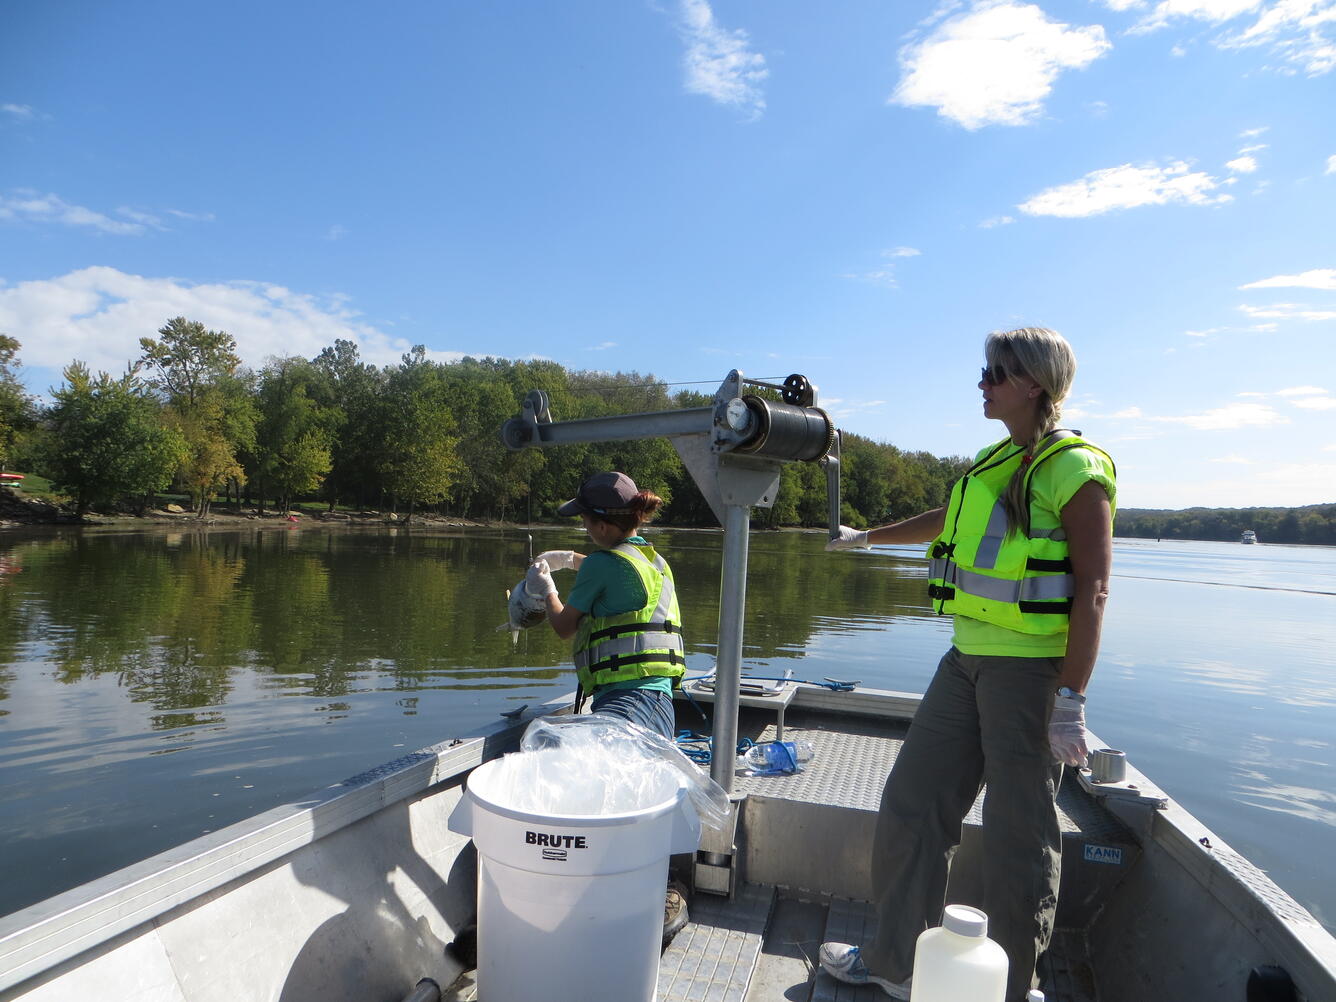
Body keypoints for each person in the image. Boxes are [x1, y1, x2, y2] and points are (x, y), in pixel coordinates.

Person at [818, 327, 1116, 1002]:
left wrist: (1071, 697)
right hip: (965, 661)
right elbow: (943, 518)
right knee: (911, 805)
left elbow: (1094, 588)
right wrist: (865, 537)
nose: (982, 382)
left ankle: (1009, 989)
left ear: (1032, 383)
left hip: (1031, 677)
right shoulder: (992, 460)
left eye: (995, 372)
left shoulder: (1075, 468)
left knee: (1020, 836)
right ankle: (898, 964)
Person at [523, 470, 690, 943]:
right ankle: (651, 891)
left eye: (584, 522)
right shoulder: (652, 560)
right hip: (659, 701)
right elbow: (607, 571)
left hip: (626, 702)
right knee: (635, 794)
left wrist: (545, 588)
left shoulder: (601, 565)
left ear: (598, 524)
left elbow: (562, 626)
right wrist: (569, 560)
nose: (584, 531)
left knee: (595, 788)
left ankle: (644, 900)